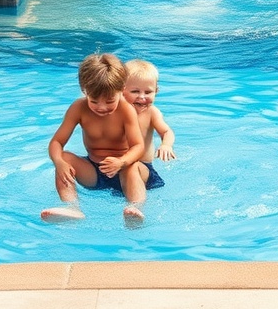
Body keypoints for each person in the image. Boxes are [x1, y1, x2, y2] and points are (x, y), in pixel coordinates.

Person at [40, 52, 146, 226]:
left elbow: (138, 146)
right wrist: (59, 162)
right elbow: (56, 142)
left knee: (131, 165)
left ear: (121, 90)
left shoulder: (126, 110)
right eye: (94, 101)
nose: (102, 107)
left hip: (125, 172)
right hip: (95, 172)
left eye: (109, 101)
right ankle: (72, 208)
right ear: (85, 91)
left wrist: (121, 162)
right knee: (64, 158)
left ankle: (135, 210)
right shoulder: (78, 108)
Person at [123, 59, 176, 191]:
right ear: (121, 90)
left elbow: (166, 132)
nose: (142, 97)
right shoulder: (116, 110)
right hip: (118, 166)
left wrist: (166, 145)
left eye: (148, 92)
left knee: (133, 167)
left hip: (143, 167)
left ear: (156, 91)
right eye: (135, 91)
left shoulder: (151, 112)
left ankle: (135, 207)